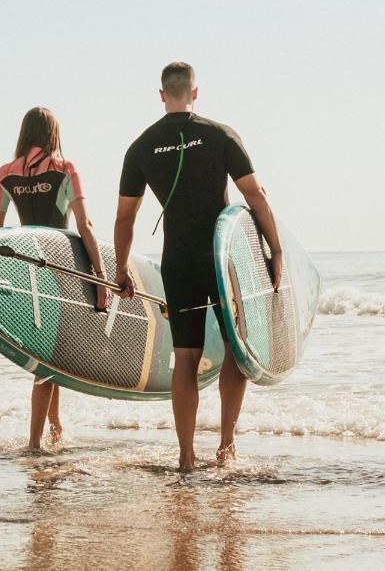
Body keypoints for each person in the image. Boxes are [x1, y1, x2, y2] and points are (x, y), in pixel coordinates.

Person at [113, 62, 282, 471]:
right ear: (195, 92)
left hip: (178, 259)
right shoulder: (220, 134)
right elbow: (254, 194)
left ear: (161, 95)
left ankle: (186, 455)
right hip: (222, 259)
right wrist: (276, 251)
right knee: (234, 350)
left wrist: (121, 269)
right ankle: (226, 447)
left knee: (185, 357)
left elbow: (124, 218)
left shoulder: (141, 147)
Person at [0, 106, 108, 451]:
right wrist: (100, 277)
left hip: (26, 268)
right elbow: (85, 225)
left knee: (51, 353)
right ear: (53, 133)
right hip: (60, 269)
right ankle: (34, 442)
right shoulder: (65, 169)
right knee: (47, 359)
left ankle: (55, 427)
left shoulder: (5, 173)